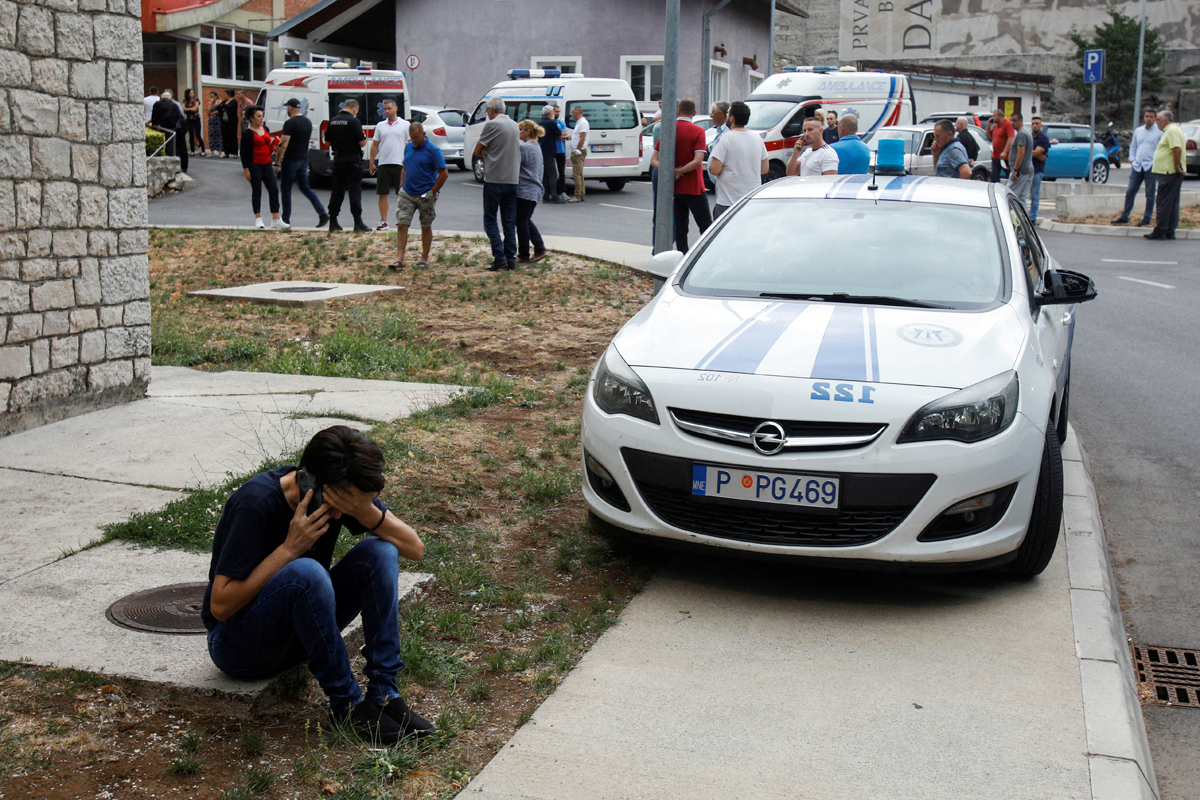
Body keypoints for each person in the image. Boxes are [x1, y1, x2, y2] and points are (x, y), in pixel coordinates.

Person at [203, 425, 434, 744]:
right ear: (308, 478)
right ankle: (347, 705)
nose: (342, 514)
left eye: (350, 506)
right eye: (342, 503)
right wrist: (289, 549)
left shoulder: (336, 493)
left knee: (380, 551)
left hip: (300, 635)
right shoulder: (255, 503)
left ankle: (384, 694)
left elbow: (415, 549)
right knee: (307, 572)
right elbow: (221, 605)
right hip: (239, 647)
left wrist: (366, 512)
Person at [651, 97, 710, 253]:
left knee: (680, 227)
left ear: (678, 111)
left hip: (675, 187)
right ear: (695, 113)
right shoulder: (698, 131)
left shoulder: (669, 130)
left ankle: (682, 256)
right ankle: (704, 256)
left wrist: (671, 172)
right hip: (694, 187)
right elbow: (698, 161)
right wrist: (681, 171)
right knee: (705, 226)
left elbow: (654, 160)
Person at [392, 121, 448, 270]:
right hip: (407, 192)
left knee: (425, 225)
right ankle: (399, 258)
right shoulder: (408, 147)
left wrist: (433, 192)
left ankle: (424, 257)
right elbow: (404, 168)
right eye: (412, 137)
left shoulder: (433, 150)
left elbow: (444, 173)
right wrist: (401, 186)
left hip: (425, 193)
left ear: (423, 134)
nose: (414, 140)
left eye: (417, 137)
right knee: (402, 223)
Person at [474, 96, 521, 270]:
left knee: (490, 219)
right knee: (509, 221)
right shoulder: (514, 125)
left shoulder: (492, 125)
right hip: (512, 178)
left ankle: (498, 255)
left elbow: (477, 149)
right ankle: (511, 258)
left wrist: (487, 153)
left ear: (491, 110)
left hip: (494, 178)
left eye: (487, 111)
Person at [708, 100, 768, 218]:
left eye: (728, 114)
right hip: (750, 199)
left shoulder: (725, 138)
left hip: (728, 201)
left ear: (732, 118)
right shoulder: (757, 138)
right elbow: (765, 168)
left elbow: (714, 169)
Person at [276, 98, 329, 230]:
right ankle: (322, 213)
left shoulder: (290, 123)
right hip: (304, 159)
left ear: (289, 108)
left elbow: (283, 145)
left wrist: (277, 163)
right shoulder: (307, 122)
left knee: (286, 189)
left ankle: (286, 220)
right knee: (305, 187)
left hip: (291, 159)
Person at [324, 99, 370, 233]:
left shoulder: (333, 120)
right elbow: (362, 143)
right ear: (355, 109)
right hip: (353, 160)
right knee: (354, 191)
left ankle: (333, 221)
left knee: (337, 191)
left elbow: (327, 142)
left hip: (338, 159)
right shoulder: (354, 121)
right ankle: (358, 222)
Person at [1112, 109, 1163, 227]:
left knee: (1150, 193)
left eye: (1151, 117)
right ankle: (1125, 216)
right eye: (1146, 116)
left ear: (1155, 118)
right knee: (1130, 191)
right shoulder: (1139, 131)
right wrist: (1132, 159)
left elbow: (1160, 149)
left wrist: (1155, 162)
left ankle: (1147, 217)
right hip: (1138, 166)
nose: (1148, 119)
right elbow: (1134, 146)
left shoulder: (1159, 132)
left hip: (1150, 166)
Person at [239, 105, 285, 230]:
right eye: (258, 116)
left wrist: (274, 148)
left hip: (267, 162)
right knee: (257, 190)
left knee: (273, 189)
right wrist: (246, 169)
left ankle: (276, 218)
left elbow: (268, 147)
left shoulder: (265, 128)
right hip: (255, 164)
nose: (261, 119)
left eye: (262, 116)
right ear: (251, 118)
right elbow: (243, 152)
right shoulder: (247, 133)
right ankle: (258, 218)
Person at [369, 98, 409, 232]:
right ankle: (383, 221)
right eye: (385, 109)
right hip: (384, 163)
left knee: (401, 193)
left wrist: (409, 162)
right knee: (383, 193)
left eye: (389, 108)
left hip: (400, 163)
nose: (387, 111)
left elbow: (409, 144)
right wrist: (371, 162)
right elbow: (375, 145)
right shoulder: (380, 126)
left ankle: (402, 220)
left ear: (396, 108)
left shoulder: (404, 125)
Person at [1146, 110, 1186, 241]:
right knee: (1172, 202)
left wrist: (1176, 165)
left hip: (1169, 172)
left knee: (1163, 202)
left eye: (1158, 120)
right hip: (1169, 172)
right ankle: (1169, 230)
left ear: (1166, 120)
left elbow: (1177, 148)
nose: (1156, 122)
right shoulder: (1170, 130)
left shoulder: (1172, 131)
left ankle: (1161, 230)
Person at [516, 119, 548, 263]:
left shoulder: (525, 147)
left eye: (521, 130)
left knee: (521, 221)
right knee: (525, 220)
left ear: (528, 131)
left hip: (526, 190)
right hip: (535, 189)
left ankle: (525, 253)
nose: (519, 133)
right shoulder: (536, 146)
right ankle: (539, 248)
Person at [151, 89, 187, 172]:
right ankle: (172, 164)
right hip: (170, 128)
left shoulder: (157, 104)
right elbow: (175, 115)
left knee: (162, 145)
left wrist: (156, 124)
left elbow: (154, 115)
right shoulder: (173, 105)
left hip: (159, 128)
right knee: (171, 146)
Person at [1007, 113, 1034, 209]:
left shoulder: (1022, 134)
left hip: (1021, 170)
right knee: (1022, 198)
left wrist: (1015, 170)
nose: (1012, 123)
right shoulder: (1026, 132)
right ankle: (1024, 221)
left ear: (1020, 121)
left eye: (1014, 120)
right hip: (1028, 168)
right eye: (1011, 120)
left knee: (1008, 196)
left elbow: (1021, 152)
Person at [1029, 116, 1052, 223]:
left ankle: (1032, 217)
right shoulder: (1028, 136)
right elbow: (1022, 151)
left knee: (1034, 195)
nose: (1035, 125)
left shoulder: (1043, 139)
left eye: (1037, 123)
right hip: (1026, 169)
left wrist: (1032, 153)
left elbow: (1034, 152)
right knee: (1023, 195)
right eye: (1033, 123)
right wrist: (1035, 154)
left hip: (1037, 170)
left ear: (1041, 125)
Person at [567, 105, 590, 202]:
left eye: (573, 113)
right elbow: (578, 137)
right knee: (579, 173)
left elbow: (582, 138)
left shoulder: (583, 123)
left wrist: (577, 149)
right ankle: (581, 193)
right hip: (578, 150)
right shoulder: (580, 122)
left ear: (576, 112)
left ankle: (577, 195)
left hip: (579, 151)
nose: (572, 115)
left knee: (576, 174)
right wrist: (571, 138)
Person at [537, 104, 560, 203]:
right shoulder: (552, 123)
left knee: (545, 174)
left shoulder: (540, 123)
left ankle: (546, 195)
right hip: (550, 150)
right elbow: (558, 135)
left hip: (541, 150)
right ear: (550, 112)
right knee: (552, 174)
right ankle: (554, 195)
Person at [986, 108, 1014, 183]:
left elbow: (1011, 138)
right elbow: (989, 137)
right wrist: (988, 126)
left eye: (994, 116)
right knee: (994, 177)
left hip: (1006, 157)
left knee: (1010, 175)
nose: (992, 118)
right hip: (996, 156)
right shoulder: (996, 126)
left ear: (1000, 116)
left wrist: (1005, 151)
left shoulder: (1007, 124)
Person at [553, 106, 568, 200]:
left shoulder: (561, 123)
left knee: (561, 171)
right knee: (551, 172)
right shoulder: (550, 123)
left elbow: (564, 134)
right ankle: (552, 191)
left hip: (560, 150)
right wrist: (559, 134)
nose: (557, 113)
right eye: (556, 111)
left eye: (559, 111)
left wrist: (558, 135)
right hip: (551, 149)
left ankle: (562, 191)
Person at [183, 89, 204, 156]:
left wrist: (188, 109)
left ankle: (203, 150)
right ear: (188, 94)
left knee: (198, 135)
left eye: (193, 92)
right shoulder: (185, 100)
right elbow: (183, 108)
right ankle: (192, 150)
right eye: (191, 93)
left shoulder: (196, 100)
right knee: (191, 135)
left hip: (196, 119)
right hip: (189, 119)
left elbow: (195, 108)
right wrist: (190, 109)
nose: (192, 94)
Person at [220, 89, 240, 158]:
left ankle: (235, 153)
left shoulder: (234, 101)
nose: (223, 96)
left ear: (228, 94)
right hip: (224, 121)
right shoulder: (224, 102)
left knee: (233, 136)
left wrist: (224, 108)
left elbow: (229, 107)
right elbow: (219, 107)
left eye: (224, 94)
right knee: (225, 137)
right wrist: (223, 108)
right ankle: (226, 152)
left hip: (232, 122)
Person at [206, 91, 223, 156]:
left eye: (212, 96)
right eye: (210, 96)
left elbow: (218, 111)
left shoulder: (219, 102)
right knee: (211, 135)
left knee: (218, 135)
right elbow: (208, 112)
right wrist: (210, 104)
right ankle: (212, 151)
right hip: (211, 121)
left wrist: (211, 113)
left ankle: (220, 152)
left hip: (217, 120)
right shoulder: (210, 103)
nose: (211, 98)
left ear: (216, 96)